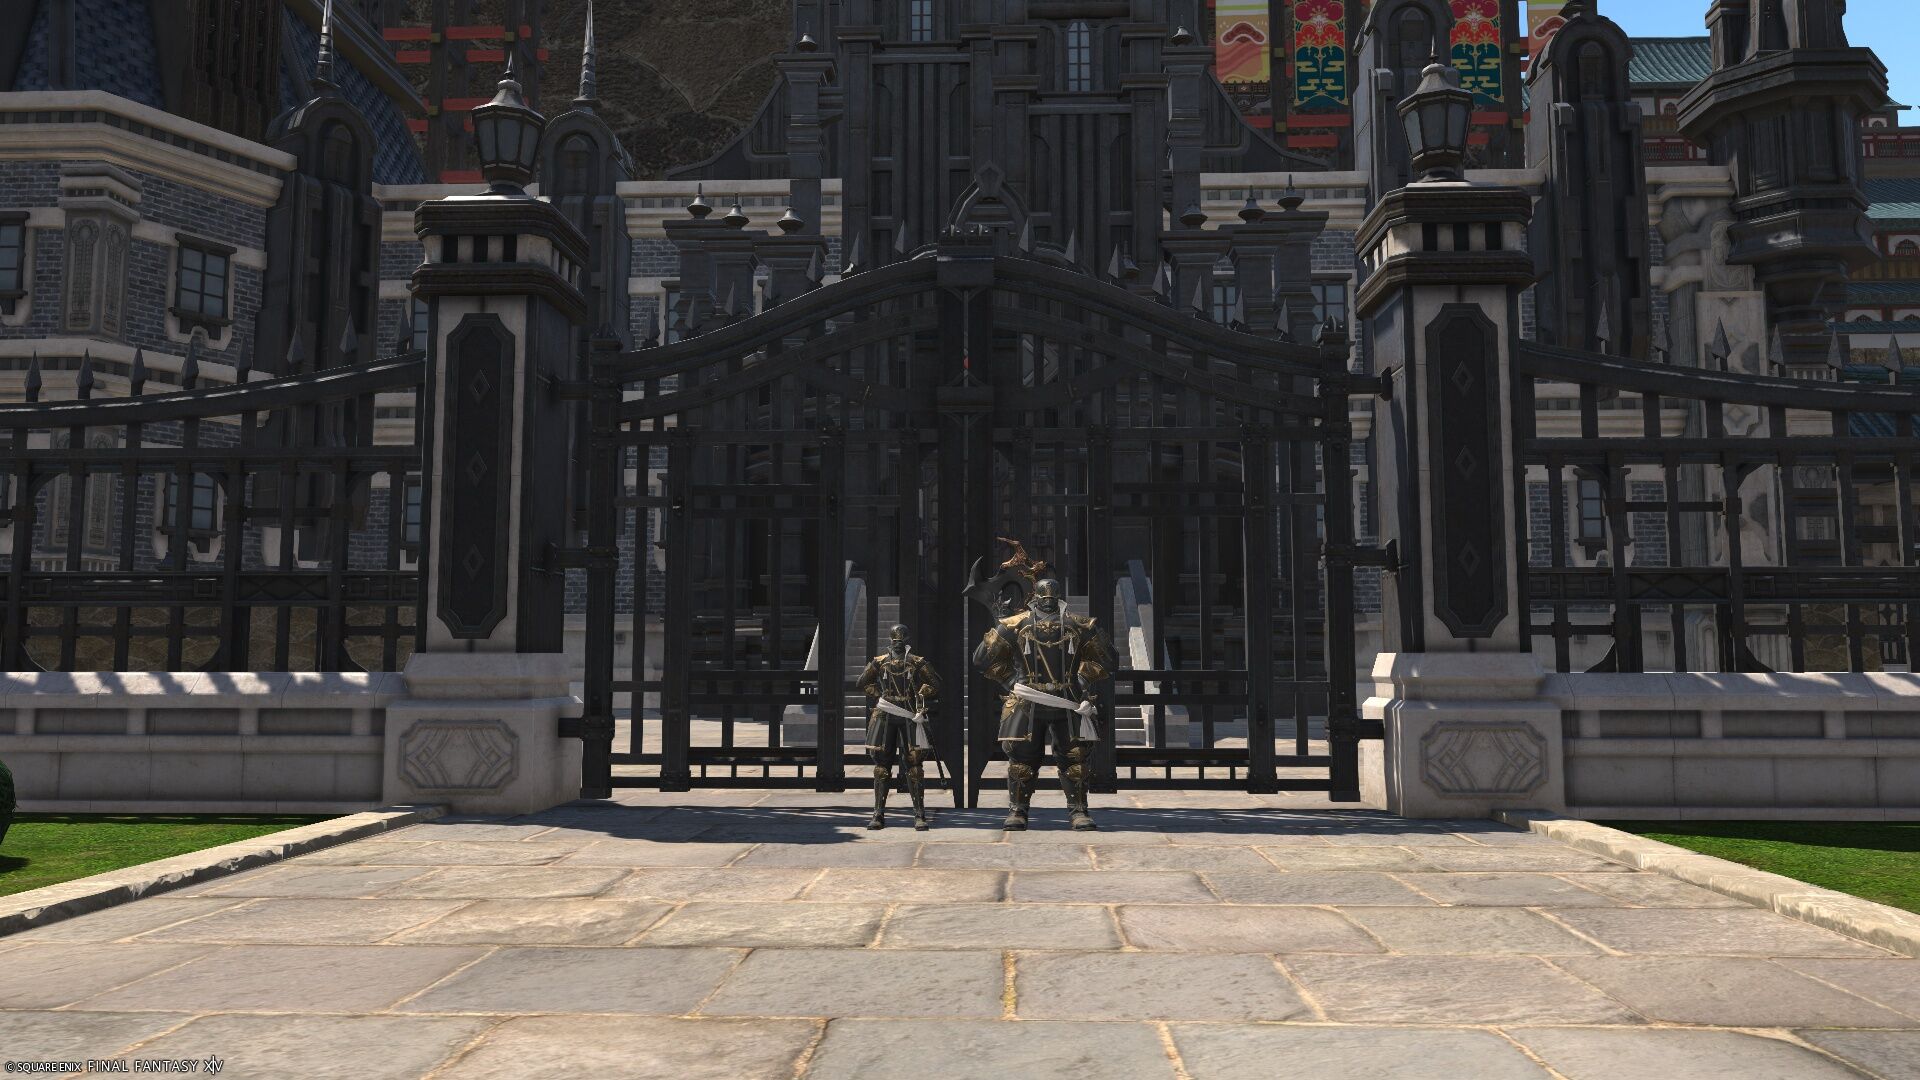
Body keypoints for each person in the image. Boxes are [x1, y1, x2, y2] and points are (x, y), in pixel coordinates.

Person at [972, 578, 1115, 830]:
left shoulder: (1079, 625)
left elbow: (1107, 659)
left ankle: (1078, 810)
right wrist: (1011, 680)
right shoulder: (1015, 625)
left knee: (1075, 758)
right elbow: (982, 658)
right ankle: (1018, 810)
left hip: (1068, 701)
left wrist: (1081, 680)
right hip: (1027, 700)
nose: (1048, 602)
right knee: (1021, 758)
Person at [855, 624, 940, 830]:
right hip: (886, 714)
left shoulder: (916, 662)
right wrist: (879, 695)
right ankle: (878, 813)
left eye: (901, 639)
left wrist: (921, 693)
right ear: (891, 640)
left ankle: (919, 814)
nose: (898, 643)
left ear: (906, 640)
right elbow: (862, 682)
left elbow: (935, 683)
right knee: (881, 766)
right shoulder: (879, 662)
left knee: (915, 765)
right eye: (896, 639)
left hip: (909, 714)